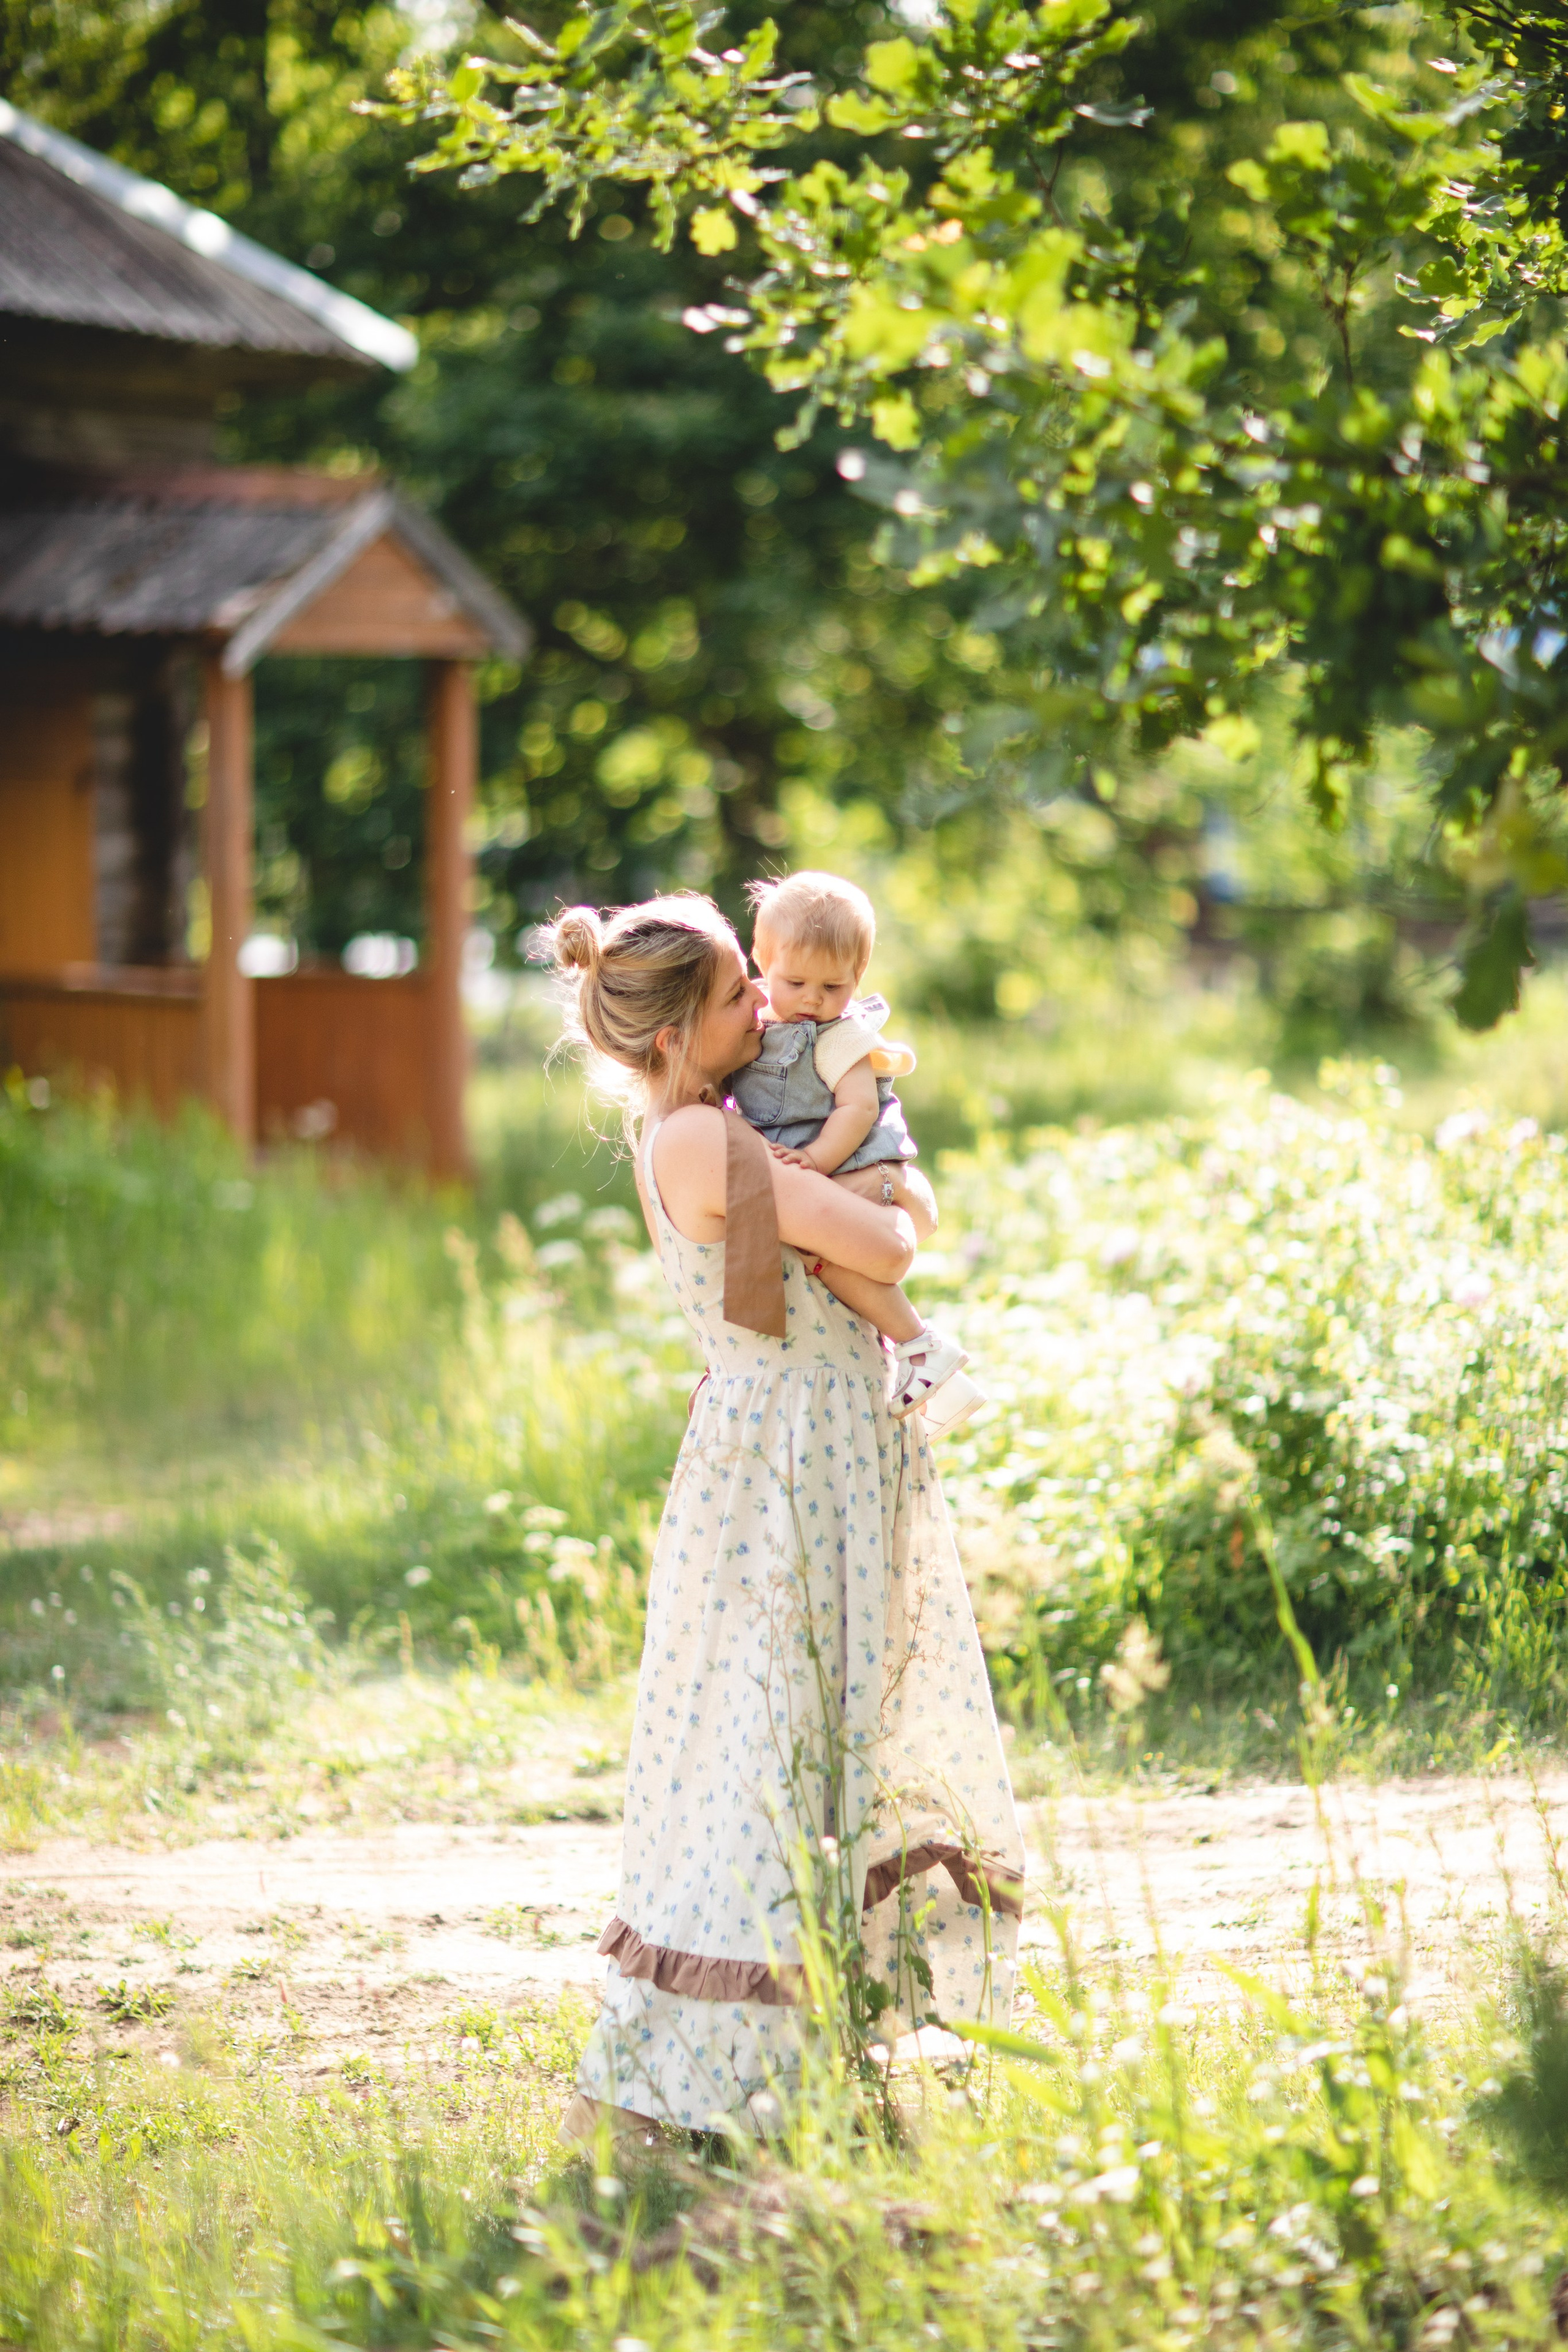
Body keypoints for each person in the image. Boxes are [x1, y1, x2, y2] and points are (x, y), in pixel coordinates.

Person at [549, 892, 1023, 2147]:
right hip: (784, 1460)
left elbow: (884, 1222)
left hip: (816, 1441)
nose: (763, 1008)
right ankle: (699, 2071)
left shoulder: (717, 1120)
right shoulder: (703, 1143)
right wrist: (898, 1198)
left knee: (821, 1736)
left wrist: (892, 1193)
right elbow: (883, 1237)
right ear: (668, 1038)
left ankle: (815, 2047)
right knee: (766, 1746)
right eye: (733, 999)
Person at [731, 869, 981, 1432]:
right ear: (760, 959)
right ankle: (913, 1348)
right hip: (807, 1168)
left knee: (831, 1259)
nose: (814, 1001)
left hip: (849, 1158)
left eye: (834, 987)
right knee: (820, 1263)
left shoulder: (842, 1034)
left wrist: (818, 1161)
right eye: (795, 983)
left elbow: (858, 1109)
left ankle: (920, 1343)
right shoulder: (753, 1027)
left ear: (857, 977)